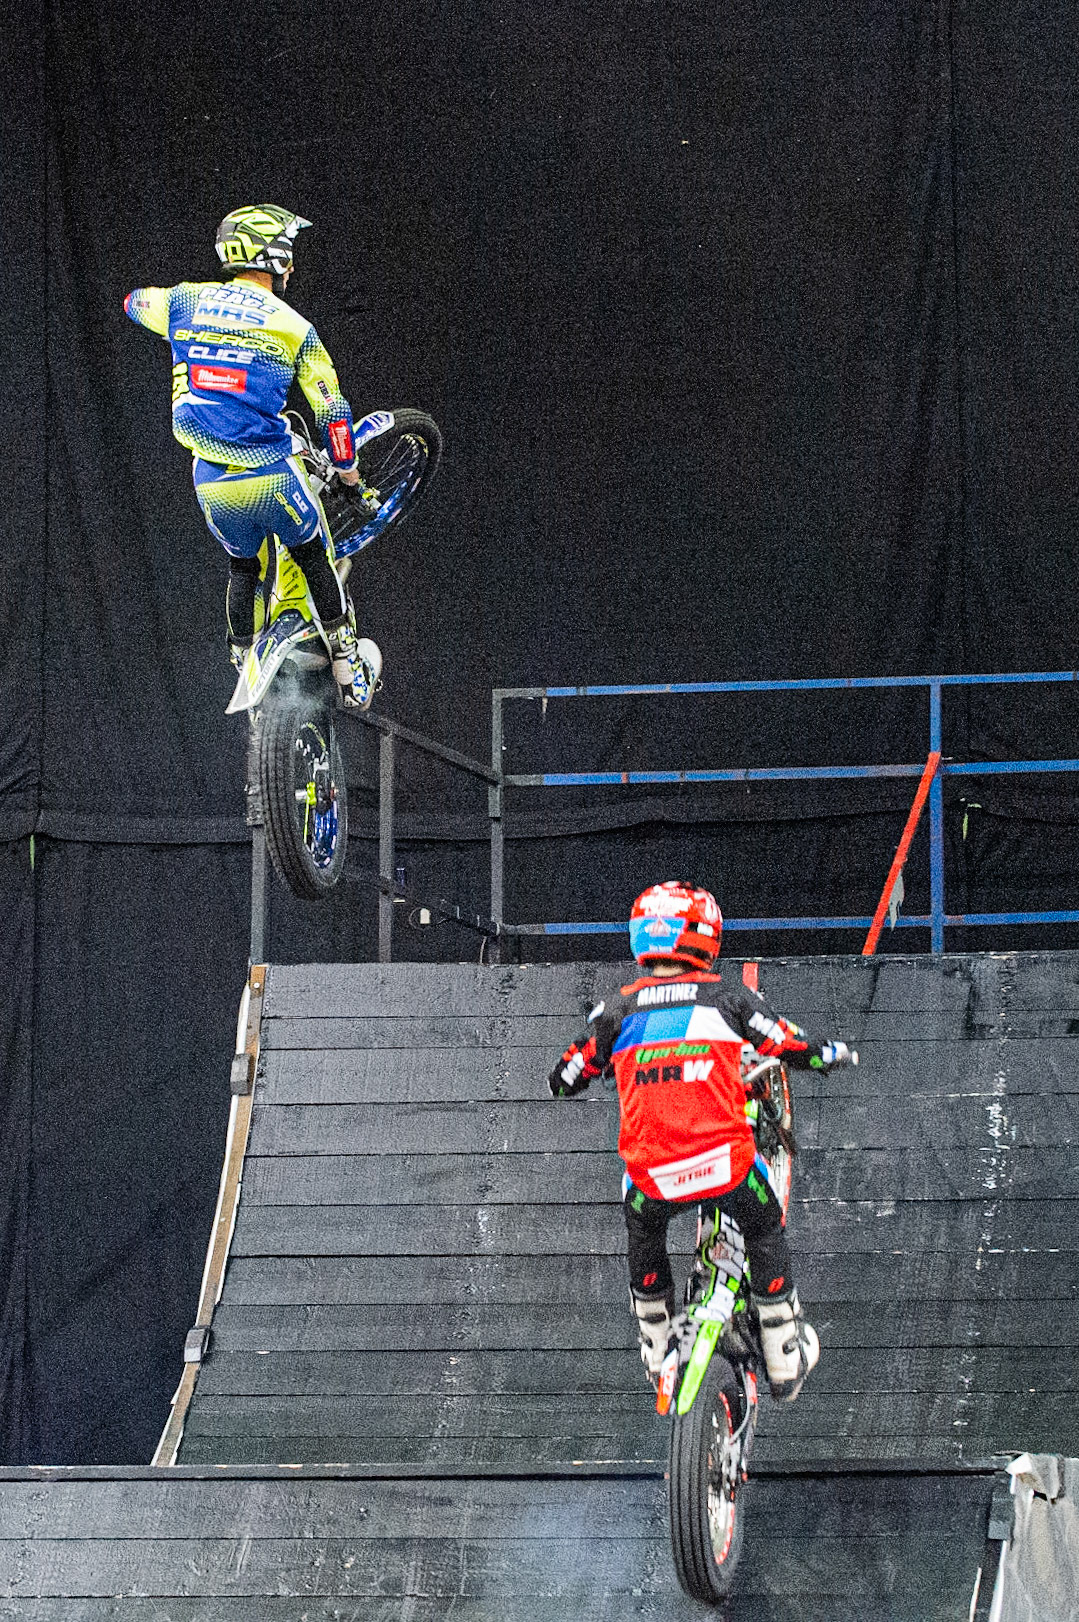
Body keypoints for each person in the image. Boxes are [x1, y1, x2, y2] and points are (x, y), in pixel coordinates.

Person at [547, 880, 856, 1403]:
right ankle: (783, 1350)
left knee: (642, 1229)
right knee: (764, 1226)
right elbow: (789, 1045)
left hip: (653, 1180)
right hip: (724, 1170)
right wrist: (833, 1054)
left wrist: (592, 1063)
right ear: (706, 935)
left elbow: (564, 1077)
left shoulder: (618, 1011)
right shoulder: (728, 997)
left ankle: (656, 1342)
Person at [124, 204, 378, 706]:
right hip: (271, 474)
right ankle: (350, 670)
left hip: (210, 482)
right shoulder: (293, 326)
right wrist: (349, 478)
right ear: (276, 256)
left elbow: (133, 302)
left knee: (243, 567)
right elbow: (332, 412)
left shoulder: (184, 302)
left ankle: (242, 659)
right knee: (313, 557)